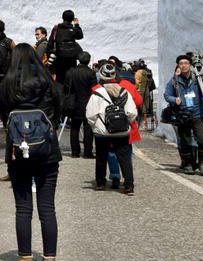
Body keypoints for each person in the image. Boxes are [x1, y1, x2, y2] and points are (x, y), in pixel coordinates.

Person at [0, 43, 62, 261]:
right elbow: (58, 111)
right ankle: (49, 260)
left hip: (17, 151)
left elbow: (4, 118)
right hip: (47, 152)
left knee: (23, 208)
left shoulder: (7, 84)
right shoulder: (47, 82)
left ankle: (25, 259)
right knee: (47, 208)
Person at [86, 62, 138, 195]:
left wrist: (96, 126)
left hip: (102, 132)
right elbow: (132, 112)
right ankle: (128, 185)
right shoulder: (124, 92)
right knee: (125, 158)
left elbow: (90, 114)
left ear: (101, 76)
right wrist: (124, 123)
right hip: (121, 131)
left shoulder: (97, 93)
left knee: (101, 157)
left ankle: (100, 182)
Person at [164, 54, 203, 175]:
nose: (183, 65)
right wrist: (174, 100)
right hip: (183, 114)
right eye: (181, 63)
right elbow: (167, 95)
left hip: (197, 114)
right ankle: (188, 164)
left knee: (202, 140)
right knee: (185, 141)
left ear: (190, 65)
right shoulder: (174, 80)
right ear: (178, 66)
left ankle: (202, 164)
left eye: (186, 63)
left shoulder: (198, 79)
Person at [63, 51, 97, 158]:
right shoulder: (91, 73)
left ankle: (75, 152)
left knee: (74, 127)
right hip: (87, 102)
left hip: (74, 102)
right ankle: (87, 152)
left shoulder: (71, 72)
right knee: (88, 128)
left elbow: (66, 88)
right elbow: (94, 89)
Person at [47, 10, 83, 83]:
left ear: (62, 18)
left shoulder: (56, 29)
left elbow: (50, 44)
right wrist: (77, 25)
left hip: (59, 58)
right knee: (70, 79)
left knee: (60, 79)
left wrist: (50, 57)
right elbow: (80, 36)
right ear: (72, 19)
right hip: (71, 59)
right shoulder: (73, 29)